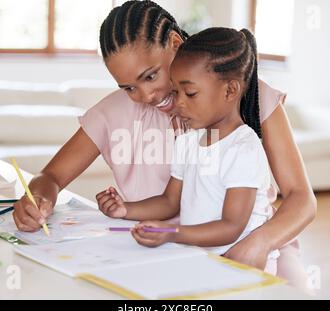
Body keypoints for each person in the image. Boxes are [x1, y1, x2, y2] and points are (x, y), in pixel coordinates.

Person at [13, 1, 315, 287]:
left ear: (174, 43)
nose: (146, 96)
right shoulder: (113, 113)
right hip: (162, 249)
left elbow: (302, 199)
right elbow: (50, 177)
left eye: (151, 75)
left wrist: (259, 242)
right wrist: (37, 199)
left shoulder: (240, 93)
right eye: (129, 87)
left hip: (255, 248)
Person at [101, 27, 281, 274]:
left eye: (191, 93)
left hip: (241, 268)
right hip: (202, 260)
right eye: (176, 92)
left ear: (230, 90)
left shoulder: (243, 149)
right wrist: (126, 209)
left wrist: (171, 233)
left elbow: (231, 227)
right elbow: (169, 201)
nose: (179, 102)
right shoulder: (188, 141)